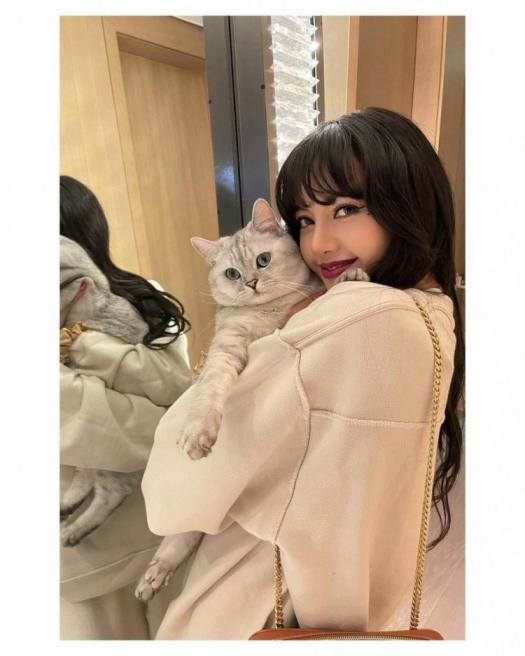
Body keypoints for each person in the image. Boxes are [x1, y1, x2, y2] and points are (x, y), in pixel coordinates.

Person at [141, 107, 464, 639]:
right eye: (306, 219)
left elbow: (170, 492)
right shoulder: (433, 316)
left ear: (409, 198)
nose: (318, 244)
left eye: (346, 208)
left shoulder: (348, 320)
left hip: (252, 606)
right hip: (345, 601)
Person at [59, 175, 193, 639]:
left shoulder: (141, 296)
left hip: (158, 530)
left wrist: (78, 344)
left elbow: (174, 409)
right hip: (87, 557)